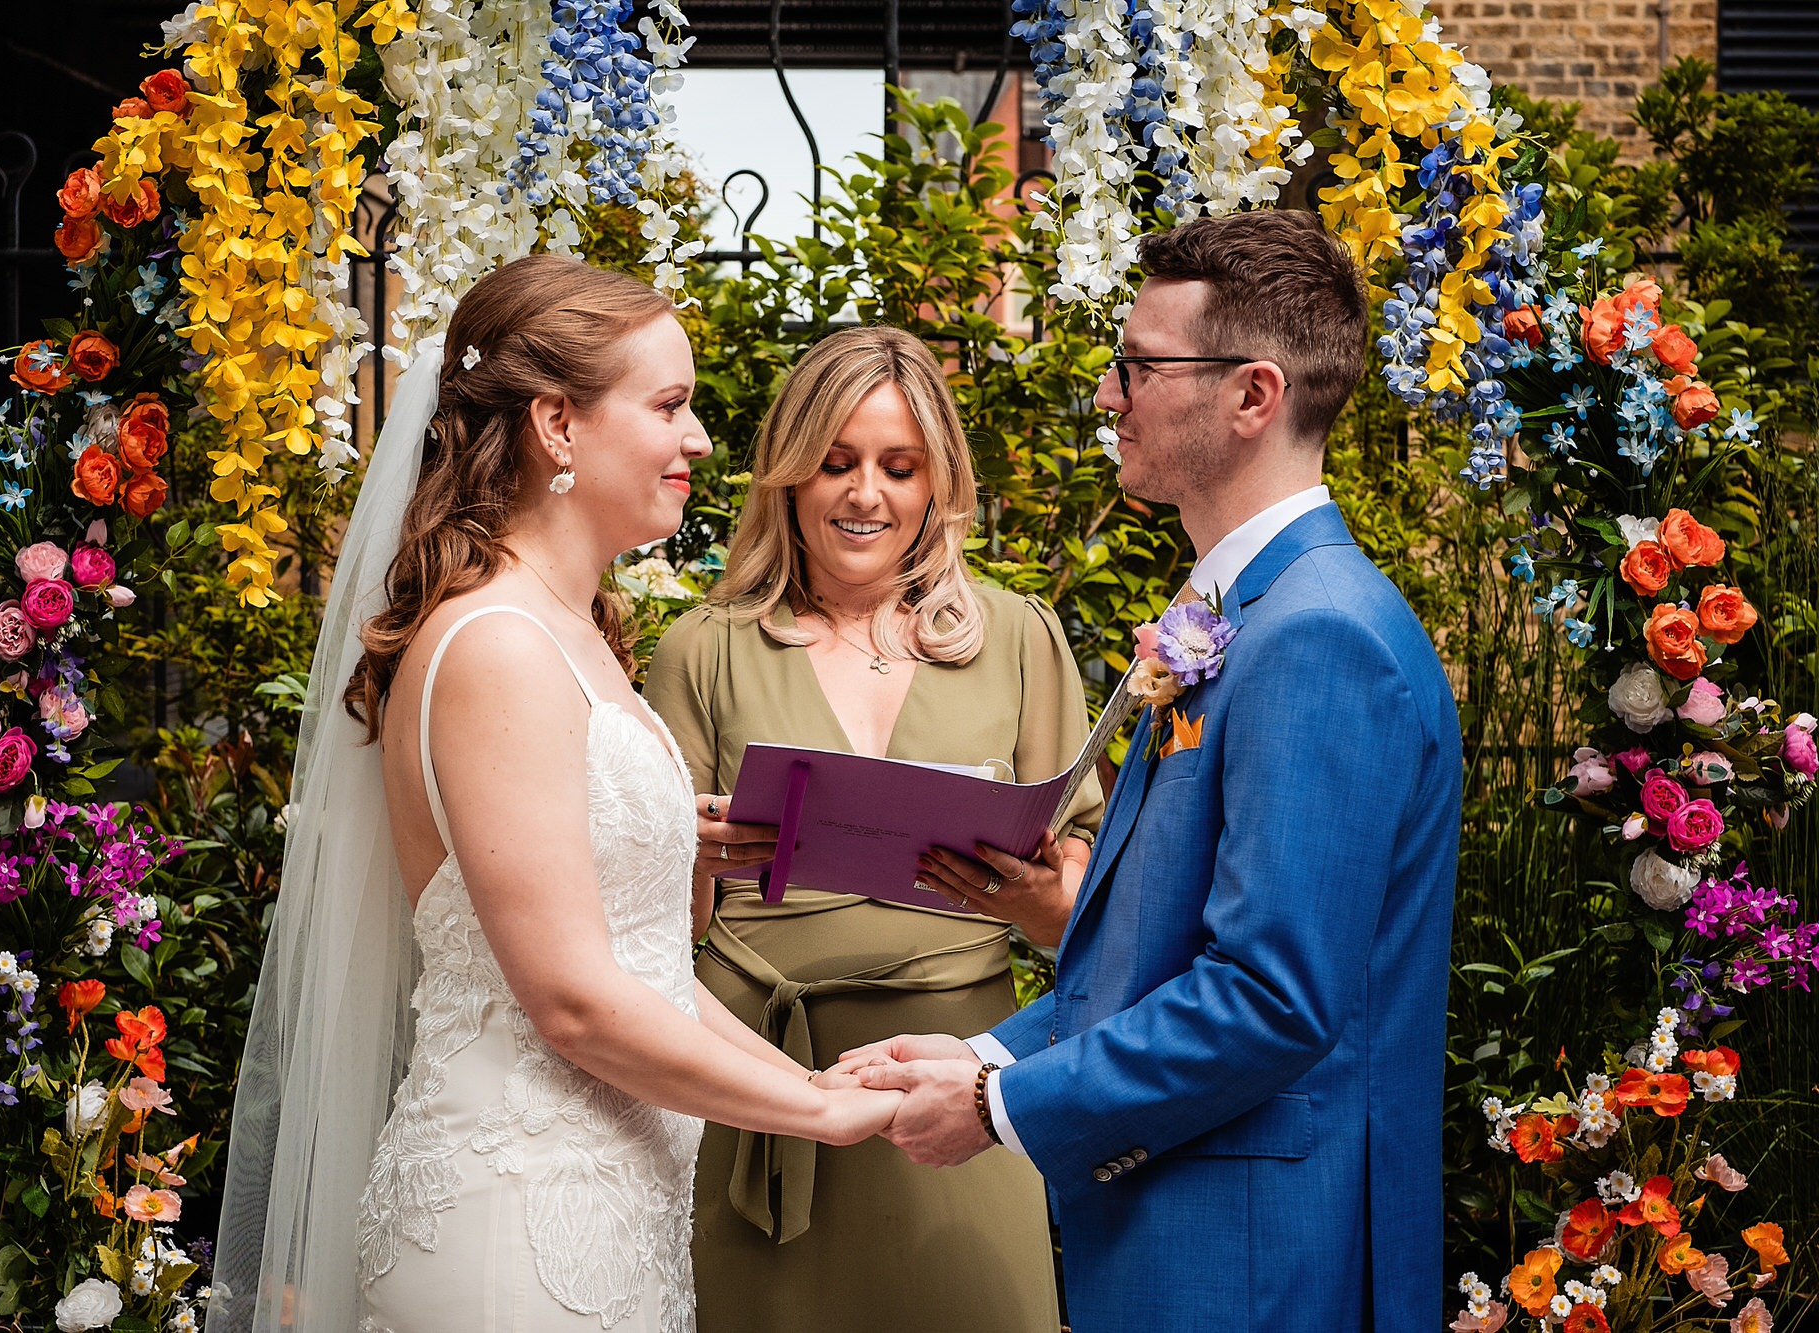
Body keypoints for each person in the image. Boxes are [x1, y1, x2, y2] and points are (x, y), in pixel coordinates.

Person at [208, 255, 902, 1333]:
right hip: (513, 1224)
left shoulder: (573, 635)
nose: (699, 440)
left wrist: (820, 1080)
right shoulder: (496, 646)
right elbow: (573, 1000)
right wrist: (814, 1109)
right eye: (668, 405)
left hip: (601, 1211)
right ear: (557, 425)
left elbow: (648, 971)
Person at [841, 211, 1463, 1333]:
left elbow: (1269, 997)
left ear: (1251, 396)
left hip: (1261, 1262)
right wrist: (987, 1049)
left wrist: (997, 1104)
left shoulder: (1319, 636)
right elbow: (1147, 951)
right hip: (1193, 1238)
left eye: (1138, 365)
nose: (1107, 394)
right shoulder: (1244, 613)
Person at [643, 325, 1104, 1333]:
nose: (865, 494)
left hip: (953, 1083)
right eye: (836, 463)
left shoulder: (1017, 637)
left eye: (898, 467)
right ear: (789, 477)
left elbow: (1088, 914)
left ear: (937, 482)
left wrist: (1032, 896)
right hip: (760, 1079)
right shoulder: (700, 649)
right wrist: (691, 850)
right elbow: (648, 938)